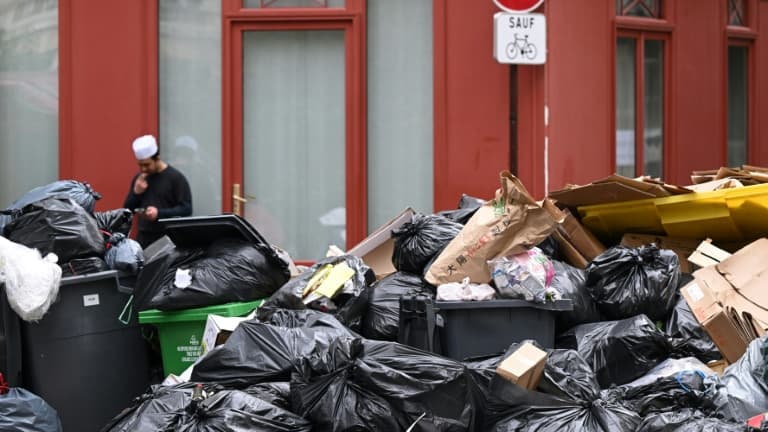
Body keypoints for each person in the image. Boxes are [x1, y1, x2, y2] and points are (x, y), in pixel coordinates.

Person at [124, 134, 192, 248]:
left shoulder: (175, 178)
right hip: (144, 238)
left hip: (168, 238)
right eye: (140, 165)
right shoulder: (140, 178)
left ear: (157, 158)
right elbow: (127, 211)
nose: (143, 169)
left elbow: (186, 209)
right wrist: (136, 193)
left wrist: (159, 213)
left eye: (147, 165)